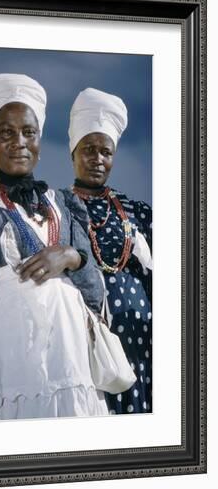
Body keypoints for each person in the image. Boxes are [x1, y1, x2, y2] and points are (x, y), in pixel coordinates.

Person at [0, 74, 108, 422]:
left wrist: (71, 256)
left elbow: (94, 294)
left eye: (28, 132)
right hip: (14, 387)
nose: (18, 142)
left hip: (73, 376)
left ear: (39, 137)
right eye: (6, 132)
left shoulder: (62, 206)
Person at [61, 87, 153, 415]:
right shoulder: (56, 209)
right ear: (73, 151)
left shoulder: (137, 212)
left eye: (106, 151)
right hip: (89, 355)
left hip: (142, 353)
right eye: (89, 149)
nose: (98, 159)